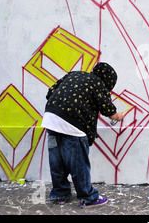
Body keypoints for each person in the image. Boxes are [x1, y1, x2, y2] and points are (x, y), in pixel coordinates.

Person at [41, 62, 124, 208]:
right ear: (108, 81)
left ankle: (60, 194)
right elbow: (108, 110)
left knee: (57, 164)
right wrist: (118, 116)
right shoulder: (98, 83)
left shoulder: (74, 74)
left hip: (51, 118)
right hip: (72, 124)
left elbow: (50, 92)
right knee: (79, 165)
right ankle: (88, 198)